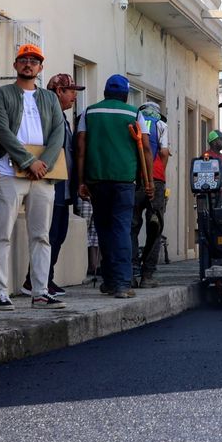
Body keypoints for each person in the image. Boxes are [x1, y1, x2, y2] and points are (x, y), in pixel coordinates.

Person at [0, 43, 69, 310]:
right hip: (9, 172)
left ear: (41, 68)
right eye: (24, 59)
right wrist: (27, 161)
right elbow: (2, 131)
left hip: (43, 175)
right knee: (2, 234)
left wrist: (43, 162)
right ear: (15, 65)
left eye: (34, 60)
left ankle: (40, 291)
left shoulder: (49, 98)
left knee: (41, 235)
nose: (29, 64)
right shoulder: (1, 94)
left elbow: (58, 132)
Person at [78, 74, 142, 299]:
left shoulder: (89, 112)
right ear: (125, 94)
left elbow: (81, 147)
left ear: (105, 92)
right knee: (122, 229)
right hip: (125, 180)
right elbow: (144, 149)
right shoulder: (134, 113)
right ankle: (123, 283)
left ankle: (110, 280)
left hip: (97, 179)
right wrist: (148, 182)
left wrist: (81, 181)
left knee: (103, 230)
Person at [22, 73, 84, 298]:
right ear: (59, 92)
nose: (74, 97)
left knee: (59, 234)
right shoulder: (46, 116)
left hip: (64, 186)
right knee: (50, 233)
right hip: (52, 182)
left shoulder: (63, 119)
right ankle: (36, 281)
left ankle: (46, 278)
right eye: (71, 91)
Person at [131, 101, 171, 287]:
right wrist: (158, 175)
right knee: (155, 229)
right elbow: (163, 152)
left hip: (134, 179)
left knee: (131, 227)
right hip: (156, 179)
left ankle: (130, 274)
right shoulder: (161, 124)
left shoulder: (134, 123)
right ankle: (147, 275)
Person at [201, 129, 222, 208]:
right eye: (221, 139)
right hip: (213, 197)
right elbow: (205, 177)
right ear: (214, 142)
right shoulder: (207, 157)